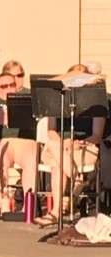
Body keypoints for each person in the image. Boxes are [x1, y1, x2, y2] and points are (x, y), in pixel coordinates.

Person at [35, 64, 105, 226]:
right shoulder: (57, 100)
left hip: (84, 148)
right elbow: (51, 131)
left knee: (57, 164)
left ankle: (55, 212)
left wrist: (79, 143)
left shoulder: (96, 104)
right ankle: (76, 176)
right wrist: (64, 143)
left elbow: (97, 135)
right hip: (59, 145)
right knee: (54, 147)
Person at [0, 72, 36, 213]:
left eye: (12, 85)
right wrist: (16, 114)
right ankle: (1, 200)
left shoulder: (27, 100)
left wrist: (5, 116)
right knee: (0, 161)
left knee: (31, 161)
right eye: (4, 86)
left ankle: (28, 205)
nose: (8, 88)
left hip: (23, 142)